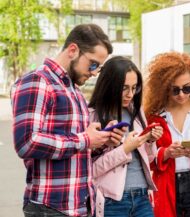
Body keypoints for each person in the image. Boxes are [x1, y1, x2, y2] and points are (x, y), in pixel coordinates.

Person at [11, 24, 123, 217]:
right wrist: (85, 139)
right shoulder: (38, 81)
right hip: (50, 207)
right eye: (93, 64)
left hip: (79, 206)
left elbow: (77, 149)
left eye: (99, 67)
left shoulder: (74, 91)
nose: (95, 72)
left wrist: (101, 141)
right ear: (73, 50)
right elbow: (27, 142)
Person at [143, 51, 190, 217]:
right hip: (166, 187)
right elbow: (146, 159)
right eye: (175, 90)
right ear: (164, 87)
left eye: (187, 88)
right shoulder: (153, 116)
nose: (182, 95)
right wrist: (166, 153)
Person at [88, 56, 163, 217]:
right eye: (124, 88)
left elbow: (149, 159)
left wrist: (149, 140)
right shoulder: (92, 117)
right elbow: (90, 170)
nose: (130, 94)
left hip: (142, 197)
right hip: (112, 202)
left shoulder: (136, 112)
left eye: (134, 88)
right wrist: (125, 149)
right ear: (109, 85)